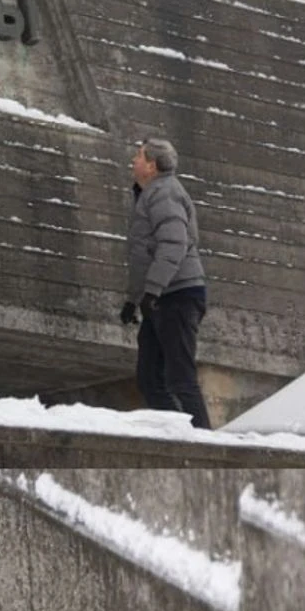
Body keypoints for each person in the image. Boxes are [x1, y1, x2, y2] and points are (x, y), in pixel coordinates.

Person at [120, 134, 213, 429]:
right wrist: (133, 300)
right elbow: (142, 256)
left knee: (180, 377)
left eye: (139, 155)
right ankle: (181, 434)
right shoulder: (149, 194)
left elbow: (173, 245)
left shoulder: (165, 193)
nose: (133, 160)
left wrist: (152, 292)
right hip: (161, 296)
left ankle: (204, 443)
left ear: (152, 165)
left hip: (179, 295)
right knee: (149, 379)